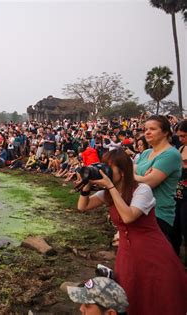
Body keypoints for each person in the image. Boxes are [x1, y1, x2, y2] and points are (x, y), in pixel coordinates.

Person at [77, 149, 187, 314]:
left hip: (152, 251)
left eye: (108, 167)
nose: (103, 171)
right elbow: (82, 206)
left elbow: (128, 216)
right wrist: (86, 185)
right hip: (127, 252)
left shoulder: (142, 190)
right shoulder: (107, 193)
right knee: (132, 292)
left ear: (122, 172)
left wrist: (111, 187)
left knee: (157, 295)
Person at [134, 115, 181, 245]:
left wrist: (139, 177)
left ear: (165, 132)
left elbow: (150, 182)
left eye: (152, 129)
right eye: (145, 129)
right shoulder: (146, 153)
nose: (147, 132)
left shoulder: (171, 154)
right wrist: (141, 177)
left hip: (158, 213)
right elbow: (131, 170)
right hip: (138, 208)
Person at [173, 120, 187, 264]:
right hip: (177, 194)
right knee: (175, 228)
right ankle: (174, 261)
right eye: (179, 136)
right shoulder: (181, 149)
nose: (181, 139)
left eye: (183, 136)